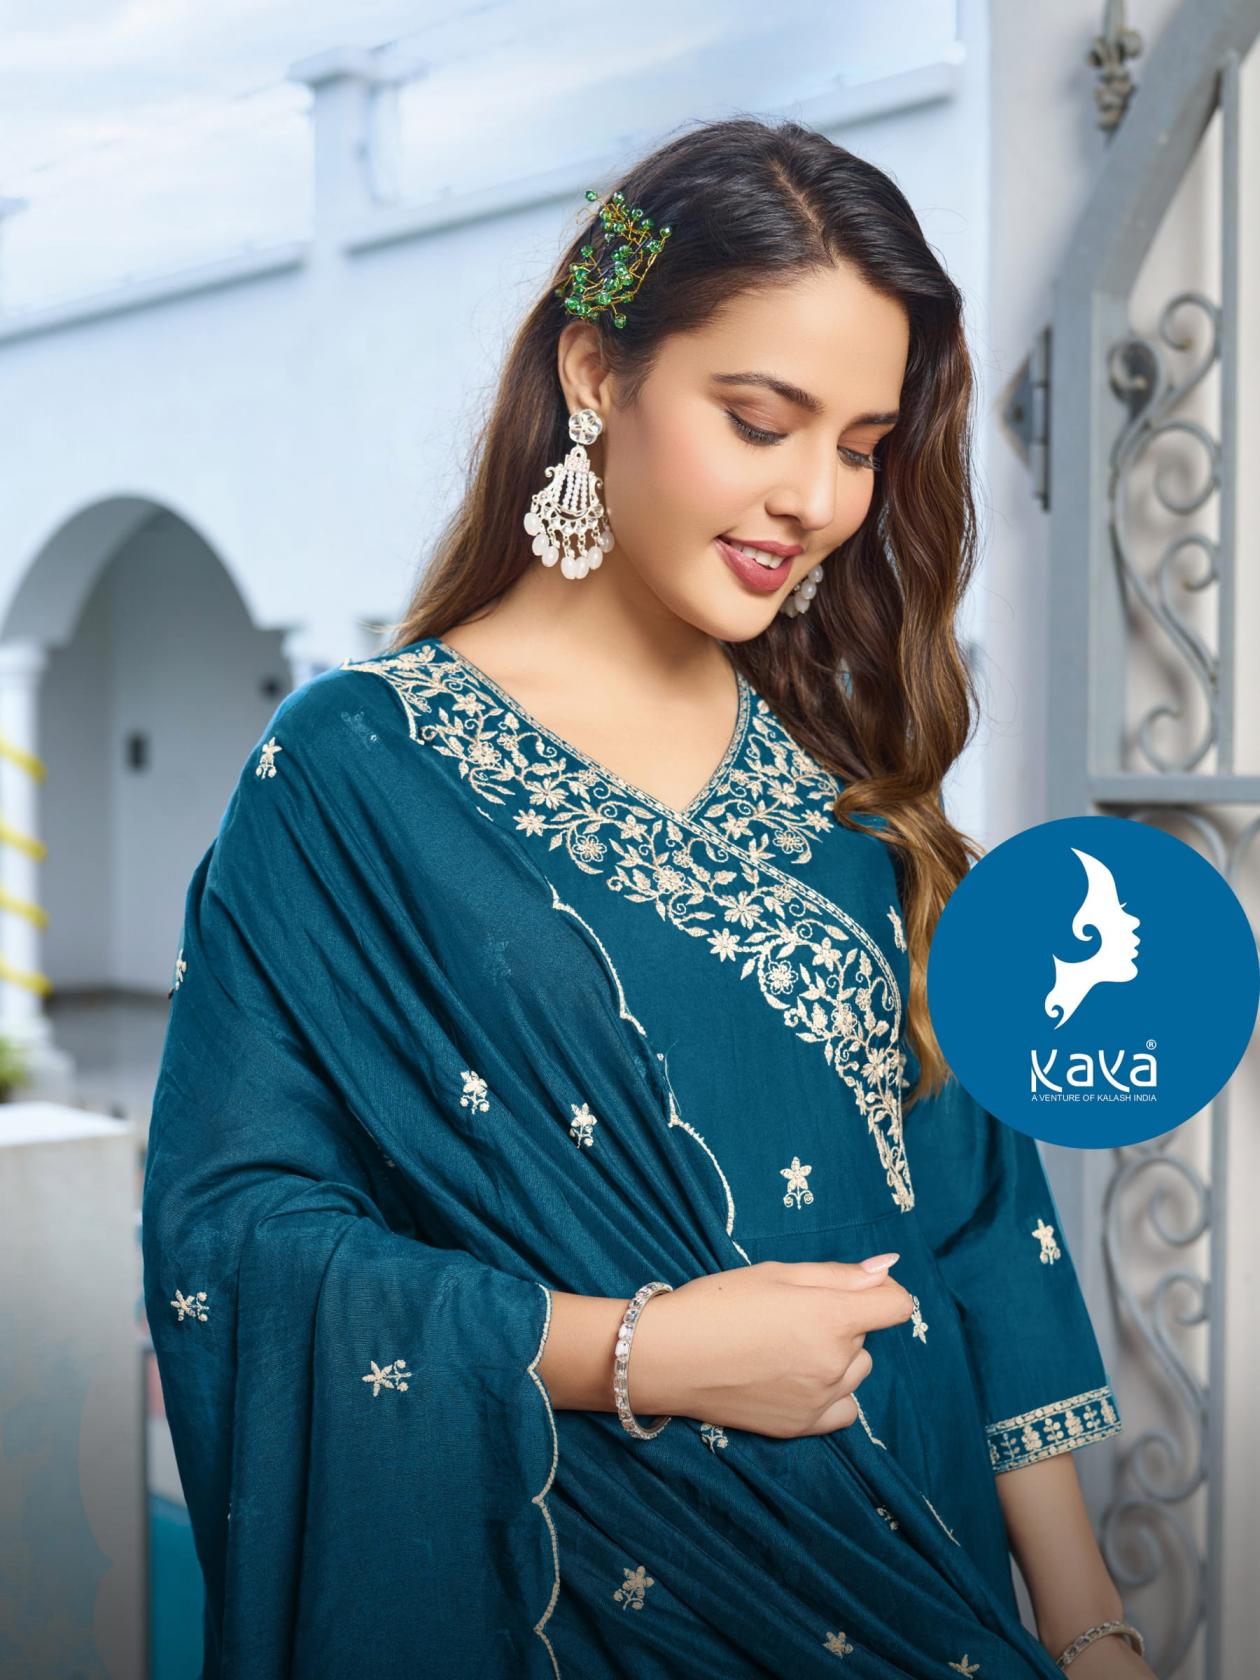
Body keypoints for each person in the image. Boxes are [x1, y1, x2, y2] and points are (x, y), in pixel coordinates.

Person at [142, 117, 1156, 1678]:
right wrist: (638, 1353)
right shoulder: (354, 774)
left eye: (862, 446)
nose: (814, 497)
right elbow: (241, 1235)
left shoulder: (858, 797)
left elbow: (978, 1233)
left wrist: (1089, 1632)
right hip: (584, 1608)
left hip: (923, 1576)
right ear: (595, 373)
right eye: (760, 421)